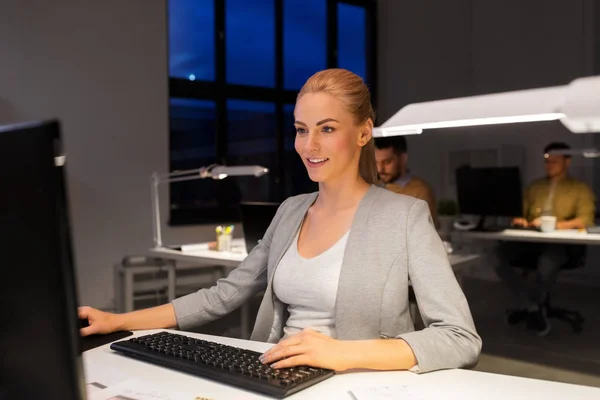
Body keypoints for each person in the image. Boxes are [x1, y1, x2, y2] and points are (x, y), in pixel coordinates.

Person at [80, 69, 481, 373]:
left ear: (363, 133)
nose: (310, 145)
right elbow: (224, 294)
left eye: (327, 129)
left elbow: (459, 338)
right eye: (302, 130)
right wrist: (117, 320)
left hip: (358, 382)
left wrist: (341, 352)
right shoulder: (291, 210)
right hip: (276, 375)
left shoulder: (404, 216)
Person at [493, 142, 596, 336]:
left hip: (561, 245)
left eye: (555, 160)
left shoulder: (579, 189)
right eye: (547, 160)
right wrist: (520, 219)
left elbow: (585, 219)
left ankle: (534, 305)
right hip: (531, 242)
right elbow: (520, 212)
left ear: (568, 161)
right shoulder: (535, 187)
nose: (550, 164)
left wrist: (553, 225)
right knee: (496, 255)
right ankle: (531, 304)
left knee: (548, 261)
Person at [374, 136, 439, 227]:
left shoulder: (420, 192)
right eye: (376, 162)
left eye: (387, 162)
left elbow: (424, 234)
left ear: (403, 159)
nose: (380, 169)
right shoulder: (374, 188)